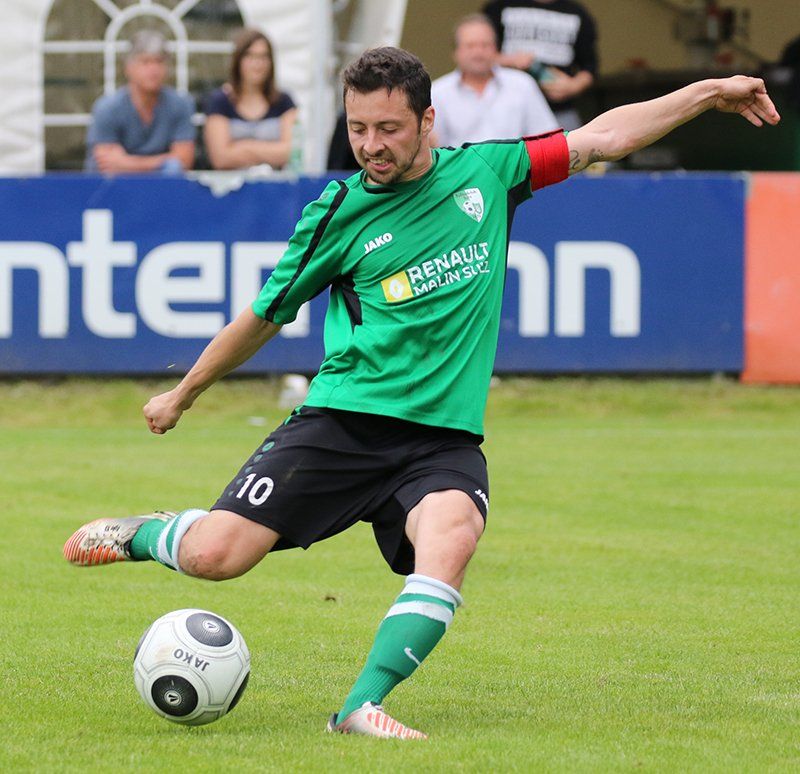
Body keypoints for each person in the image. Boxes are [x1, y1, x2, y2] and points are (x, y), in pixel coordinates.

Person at [64, 47, 779, 739]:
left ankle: (359, 707)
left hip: (441, 440)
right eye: (357, 128)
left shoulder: (489, 173)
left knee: (453, 537)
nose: (370, 146)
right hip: (343, 422)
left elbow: (604, 137)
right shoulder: (338, 211)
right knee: (215, 558)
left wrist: (707, 93)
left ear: (427, 121)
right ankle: (144, 534)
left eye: (389, 128)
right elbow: (263, 316)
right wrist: (183, 393)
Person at [431, 13, 557, 147]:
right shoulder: (437, 93)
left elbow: (547, 137)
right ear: (456, 52)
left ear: (496, 49)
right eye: (470, 46)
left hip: (515, 160)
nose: (478, 52)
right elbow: (434, 148)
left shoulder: (522, 84)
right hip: (461, 161)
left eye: (485, 45)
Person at [85, 30, 195, 174]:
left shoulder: (180, 104)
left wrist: (127, 164)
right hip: (115, 185)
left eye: (159, 61)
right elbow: (105, 163)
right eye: (145, 62)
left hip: (162, 185)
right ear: (128, 68)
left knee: (172, 169)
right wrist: (164, 161)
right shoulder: (107, 107)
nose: (153, 69)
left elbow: (184, 160)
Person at [482, 0, 598, 130]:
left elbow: (590, 66)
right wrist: (509, 60)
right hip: (506, 110)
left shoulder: (576, 12)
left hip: (559, 110)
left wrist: (572, 86)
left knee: (571, 142)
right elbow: (477, 55)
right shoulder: (500, 6)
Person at [203, 29, 297, 170]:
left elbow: (292, 152)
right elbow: (220, 158)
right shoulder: (220, 102)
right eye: (250, 56)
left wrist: (244, 148)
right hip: (230, 183)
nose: (257, 64)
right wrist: (271, 151)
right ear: (238, 60)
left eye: (263, 57)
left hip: (276, 181)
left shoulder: (284, 101)